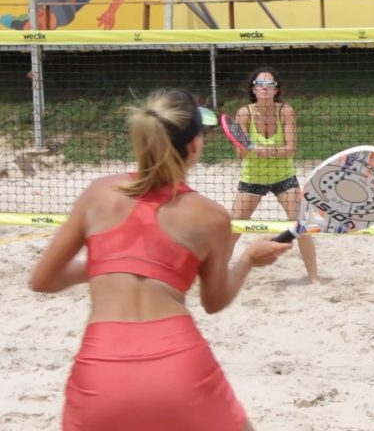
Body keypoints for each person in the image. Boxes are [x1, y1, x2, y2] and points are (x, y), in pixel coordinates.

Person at [29, 88, 292, 430]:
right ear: (195, 145)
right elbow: (213, 302)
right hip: (179, 366)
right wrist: (247, 261)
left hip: (101, 369)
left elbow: (43, 280)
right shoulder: (209, 215)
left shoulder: (98, 193)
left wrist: (108, 264)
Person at [230, 66, 319, 283]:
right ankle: (216, 273)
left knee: (301, 225)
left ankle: (314, 277)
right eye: (260, 84)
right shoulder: (244, 113)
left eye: (270, 84)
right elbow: (239, 153)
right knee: (233, 227)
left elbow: (291, 149)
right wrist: (247, 148)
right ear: (253, 88)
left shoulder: (285, 111)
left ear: (276, 90)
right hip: (253, 177)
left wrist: (267, 151)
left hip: (283, 177)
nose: (265, 88)